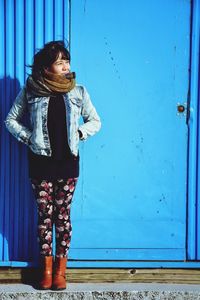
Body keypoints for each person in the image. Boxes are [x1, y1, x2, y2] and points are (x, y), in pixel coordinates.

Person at [5, 40, 101, 290]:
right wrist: (30, 138)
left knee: (63, 218)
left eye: (67, 61)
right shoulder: (31, 90)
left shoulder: (78, 91)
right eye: (60, 62)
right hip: (41, 164)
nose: (66, 66)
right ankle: (46, 271)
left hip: (68, 164)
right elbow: (11, 120)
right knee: (44, 218)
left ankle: (61, 272)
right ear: (47, 67)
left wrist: (79, 134)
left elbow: (95, 121)